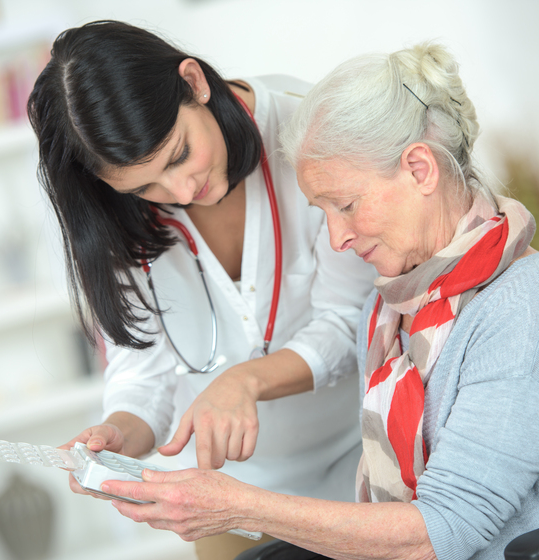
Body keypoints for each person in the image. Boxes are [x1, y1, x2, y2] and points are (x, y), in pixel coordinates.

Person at [95, 43, 539, 560]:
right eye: (321, 211)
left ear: (420, 169)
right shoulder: (390, 315)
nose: (336, 240)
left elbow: (440, 533)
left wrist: (241, 506)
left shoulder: (526, 300)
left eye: (346, 205)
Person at [26, 20, 376, 560]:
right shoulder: (116, 213)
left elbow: (353, 321)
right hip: (227, 499)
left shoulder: (310, 131)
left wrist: (247, 380)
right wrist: (119, 432)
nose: (181, 191)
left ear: (194, 82)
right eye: (145, 186)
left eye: (180, 155)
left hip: (365, 469)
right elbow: (144, 371)